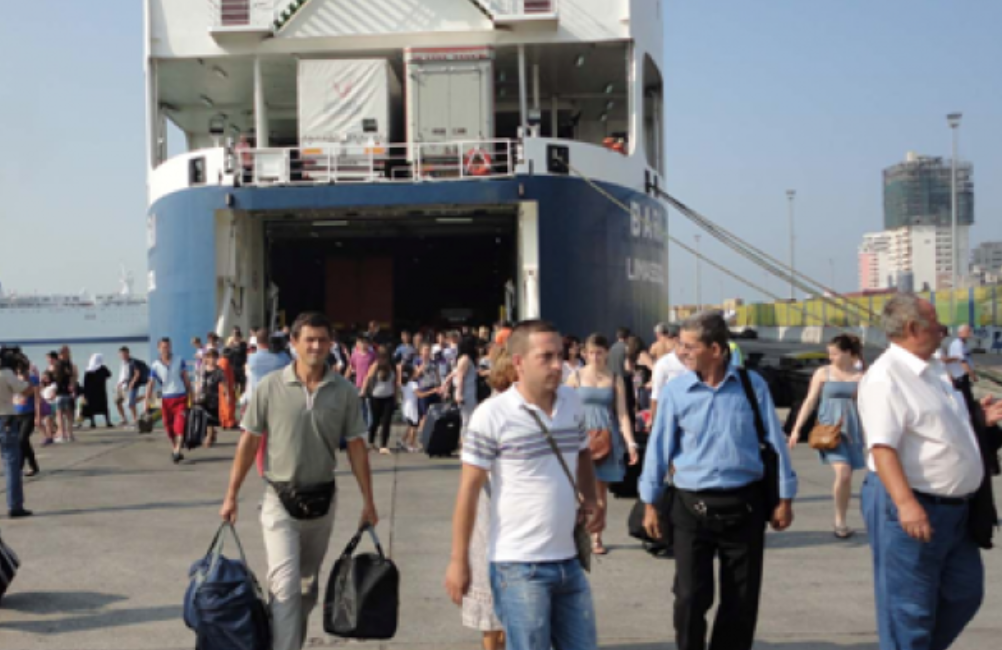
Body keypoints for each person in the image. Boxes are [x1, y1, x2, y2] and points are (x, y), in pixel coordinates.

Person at [639, 311, 797, 650]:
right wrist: (650, 503)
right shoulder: (676, 391)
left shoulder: (752, 386)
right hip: (690, 508)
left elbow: (775, 444)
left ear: (716, 349)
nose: (681, 352)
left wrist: (785, 498)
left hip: (745, 506)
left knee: (741, 599)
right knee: (689, 597)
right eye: (680, 345)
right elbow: (658, 448)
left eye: (689, 346)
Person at [220, 311, 377, 650]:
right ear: (294, 343)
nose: (316, 346)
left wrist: (368, 501)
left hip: (322, 502)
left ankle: (286, 641)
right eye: (309, 340)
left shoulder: (344, 392)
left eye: (322, 340)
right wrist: (231, 494)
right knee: (285, 587)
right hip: (279, 499)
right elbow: (249, 442)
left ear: (331, 344)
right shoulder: (270, 387)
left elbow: (356, 447)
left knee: (306, 589)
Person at [445, 320, 603, 650]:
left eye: (560, 355)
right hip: (518, 567)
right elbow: (468, 492)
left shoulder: (571, 402)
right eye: (546, 357)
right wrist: (459, 561)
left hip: (568, 561)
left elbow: (583, 452)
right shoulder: (492, 415)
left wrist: (591, 498)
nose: (558, 365)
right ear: (518, 362)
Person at [858, 294, 1002, 650]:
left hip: (957, 510)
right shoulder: (886, 378)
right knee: (909, 611)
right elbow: (882, 447)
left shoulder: (936, 369)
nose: (942, 329)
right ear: (913, 328)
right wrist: (907, 505)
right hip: (914, 505)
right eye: (935, 322)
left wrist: (980, 419)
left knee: (964, 594)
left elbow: (940, 426)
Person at [461, 347, 519, 650]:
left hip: (512, 519)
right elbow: (474, 477)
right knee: (493, 592)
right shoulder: (490, 413)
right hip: (494, 514)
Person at [566, 333, 639, 555]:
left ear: (606, 353)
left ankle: (597, 535)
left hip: (607, 437)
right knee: (580, 492)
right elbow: (562, 409)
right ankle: (579, 534)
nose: (595, 357)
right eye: (591, 353)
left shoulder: (615, 378)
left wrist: (631, 443)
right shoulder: (575, 378)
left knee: (600, 493)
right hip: (581, 438)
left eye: (599, 352)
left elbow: (623, 414)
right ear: (585, 354)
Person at [788, 334, 866, 538]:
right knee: (844, 473)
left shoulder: (862, 376)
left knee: (847, 477)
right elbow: (810, 401)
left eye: (835, 353)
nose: (830, 357)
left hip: (851, 431)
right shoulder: (823, 373)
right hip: (828, 431)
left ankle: (841, 517)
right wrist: (796, 429)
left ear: (848, 353)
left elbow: (869, 406)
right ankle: (839, 521)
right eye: (829, 353)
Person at [146, 337, 192, 464]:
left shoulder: (179, 360)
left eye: (168, 346)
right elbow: (150, 384)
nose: (166, 349)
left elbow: (186, 378)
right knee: (168, 427)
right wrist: (147, 401)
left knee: (180, 424)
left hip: (180, 397)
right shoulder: (155, 365)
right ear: (158, 348)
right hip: (166, 399)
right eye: (163, 347)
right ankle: (175, 447)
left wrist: (191, 394)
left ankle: (177, 450)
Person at [1, 353, 34, 517]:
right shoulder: (6, 373)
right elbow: (27, 391)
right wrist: (25, 373)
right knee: (12, 463)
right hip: (5, 419)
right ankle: (14, 505)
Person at [363, 346, 398, 454]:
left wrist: (396, 397)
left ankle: (383, 445)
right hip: (376, 397)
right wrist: (363, 391)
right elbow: (367, 378)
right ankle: (371, 442)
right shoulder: (375, 366)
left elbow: (395, 383)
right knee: (375, 421)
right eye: (380, 357)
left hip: (388, 397)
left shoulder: (392, 367)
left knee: (386, 422)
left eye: (384, 357)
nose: (382, 360)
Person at [650, 324, 687, 425]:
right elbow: (656, 396)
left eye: (667, 339)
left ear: (675, 340)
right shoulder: (664, 364)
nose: (665, 343)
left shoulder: (694, 362)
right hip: (671, 418)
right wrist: (655, 425)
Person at [12, 362, 41, 477]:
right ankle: (33, 466)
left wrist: (38, 416)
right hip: (16, 413)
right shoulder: (13, 379)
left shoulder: (33, 379)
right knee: (23, 442)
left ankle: (19, 466)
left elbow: (37, 399)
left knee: (22, 439)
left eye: (22, 371)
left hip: (29, 413)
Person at [943, 323, 977, 409]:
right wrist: (972, 375)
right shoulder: (957, 344)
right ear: (960, 333)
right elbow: (963, 362)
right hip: (959, 377)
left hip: (963, 376)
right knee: (966, 401)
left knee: (967, 399)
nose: (970, 333)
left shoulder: (963, 343)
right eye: (968, 331)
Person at [349, 336, 378, 427]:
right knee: (361, 406)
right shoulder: (355, 354)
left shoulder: (372, 355)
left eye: (365, 343)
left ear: (368, 344)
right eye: (361, 342)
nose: (363, 345)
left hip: (370, 384)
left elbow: (376, 367)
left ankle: (370, 425)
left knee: (370, 405)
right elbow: (351, 366)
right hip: (358, 383)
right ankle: (364, 425)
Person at [53, 347, 78, 443]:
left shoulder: (59, 364)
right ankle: (69, 435)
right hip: (65, 391)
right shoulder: (69, 364)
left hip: (61, 391)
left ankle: (64, 435)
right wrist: (73, 387)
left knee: (61, 414)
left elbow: (56, 378)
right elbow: (72, 377)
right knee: (67, 414)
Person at [115, 347, 145, 427]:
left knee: (131, 403)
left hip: (131, 385)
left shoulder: (132, 362)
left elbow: (137, 373)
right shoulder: (123, 363)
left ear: (128, 353)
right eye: (121, 354)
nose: (122, 356)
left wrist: (132, 382)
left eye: (124, 354)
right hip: (122, 386)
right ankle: (124, 419)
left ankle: (135, 420)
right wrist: (120, 383)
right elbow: (126, 375)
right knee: (118, 402)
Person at [81, 353, 113, 429]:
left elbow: (85, 383)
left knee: (91, 407)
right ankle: (108, 422)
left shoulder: (88, 370)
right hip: (101, 391)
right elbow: (109, 375)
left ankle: (93, 423)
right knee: (104, 407)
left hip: (91, 392)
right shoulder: (103, 368)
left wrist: (84, 393)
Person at [399, 366, 421, 453]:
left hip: (405, 406)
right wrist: (432, 391)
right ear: (412, 374)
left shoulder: (404, 383)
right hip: (412, 407)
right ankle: (411, 445)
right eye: (416, 372)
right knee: (414, 426)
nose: (417, 373)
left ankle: (402, 440)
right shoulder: (414, 384)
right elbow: (420, 395)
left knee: (410, 425)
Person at [217, 348, 239, 429]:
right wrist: (227, 392)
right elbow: (224, 378)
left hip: (225, 386)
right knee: (228, 404)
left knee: (224, 405)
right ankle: (229, 422)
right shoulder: (224, 363)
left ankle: (225, 421)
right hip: (226, 387)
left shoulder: (222, 361)